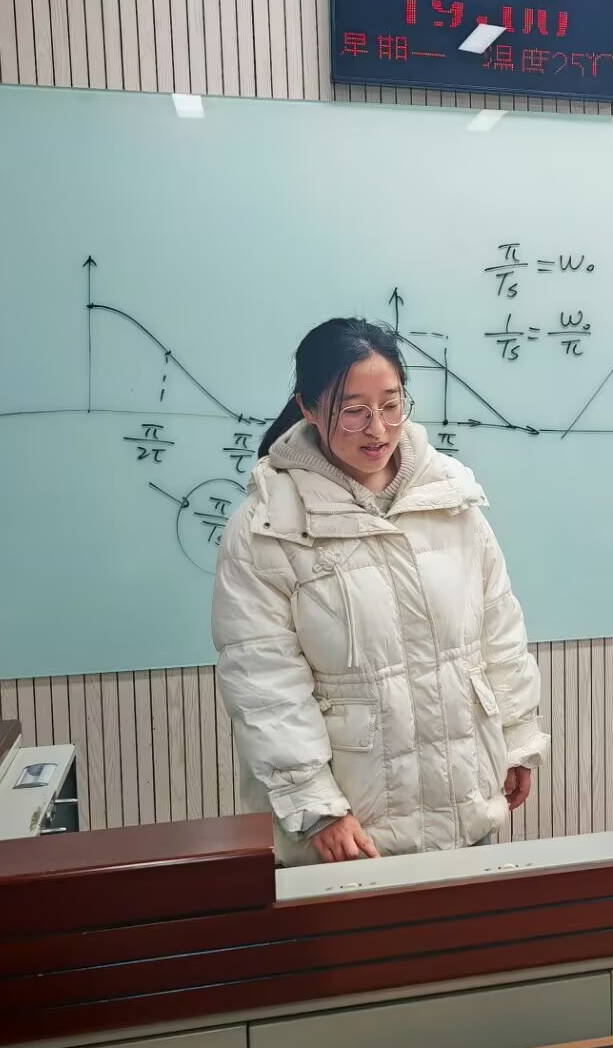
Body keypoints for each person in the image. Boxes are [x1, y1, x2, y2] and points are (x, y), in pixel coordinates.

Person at [211, 317, 545, 865]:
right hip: (350, 832)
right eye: (353, 411)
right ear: (308, 407)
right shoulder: (268, 524)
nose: (378, 429)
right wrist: (316, 806)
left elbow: (499, 632)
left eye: (391, 405)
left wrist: (518, 740)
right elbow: (263, 680)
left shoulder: (450, 496)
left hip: (463, 809)